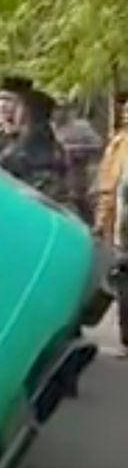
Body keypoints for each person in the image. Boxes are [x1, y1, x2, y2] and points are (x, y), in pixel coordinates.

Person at [93, 99, 128, 354]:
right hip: (121, 227)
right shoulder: (119, 144)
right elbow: (107, 188)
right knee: (123, 284)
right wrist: (101, 221)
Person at [0, 88, 70, 206]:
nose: (14, 112)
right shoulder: (46, 140)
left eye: (18, 106)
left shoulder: (32, 147)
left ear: (27, 112)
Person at [53, 102, 103, 222]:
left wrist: (73, 149)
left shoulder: (81, 126)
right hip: (57, 179)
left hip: (79, 174)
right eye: (55, 109)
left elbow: (99, 144)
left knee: (82, 204)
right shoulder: (49, 127)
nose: (58, 112)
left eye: (60, 109)